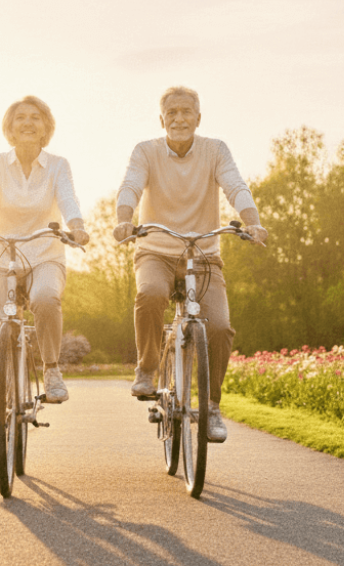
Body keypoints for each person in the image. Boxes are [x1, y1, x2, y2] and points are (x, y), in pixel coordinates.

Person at [113, 85, 266, 443]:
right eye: (172, 112)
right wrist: (123, 219)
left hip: (203, 254)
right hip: (157, 250)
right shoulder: (146, 151)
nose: (179, 118)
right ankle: (148, 368)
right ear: (162, 118)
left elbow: (235, 186)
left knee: (220, 327)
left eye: (186, 112)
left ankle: (211, 407)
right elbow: (130, 186)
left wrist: (253, 221)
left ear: (199, 118)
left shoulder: (215, 150)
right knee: (150, 294)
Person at [0, 96, 88, 439]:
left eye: (35, 117)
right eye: (19, 117)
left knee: (47, 298)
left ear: (45, 127)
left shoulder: (57, 165)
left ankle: (52, 370)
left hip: (44, 254)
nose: (27, 122)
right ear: (9, 127)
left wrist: (77, 225)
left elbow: (68, 197)